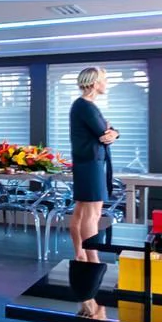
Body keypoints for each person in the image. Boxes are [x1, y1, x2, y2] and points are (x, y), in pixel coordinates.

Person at [67, 67, 118, 261]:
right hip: (91, 163)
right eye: (104, 79)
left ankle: (81, 255)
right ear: (95, 83)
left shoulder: (83, 105)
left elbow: (108, 131)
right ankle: (92, 259)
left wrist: (114, 132)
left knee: (82, 212)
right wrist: (110, 132)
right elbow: (103, 133)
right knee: (92, 214)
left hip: (87, 162)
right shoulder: (86, 107)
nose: (106, 83)